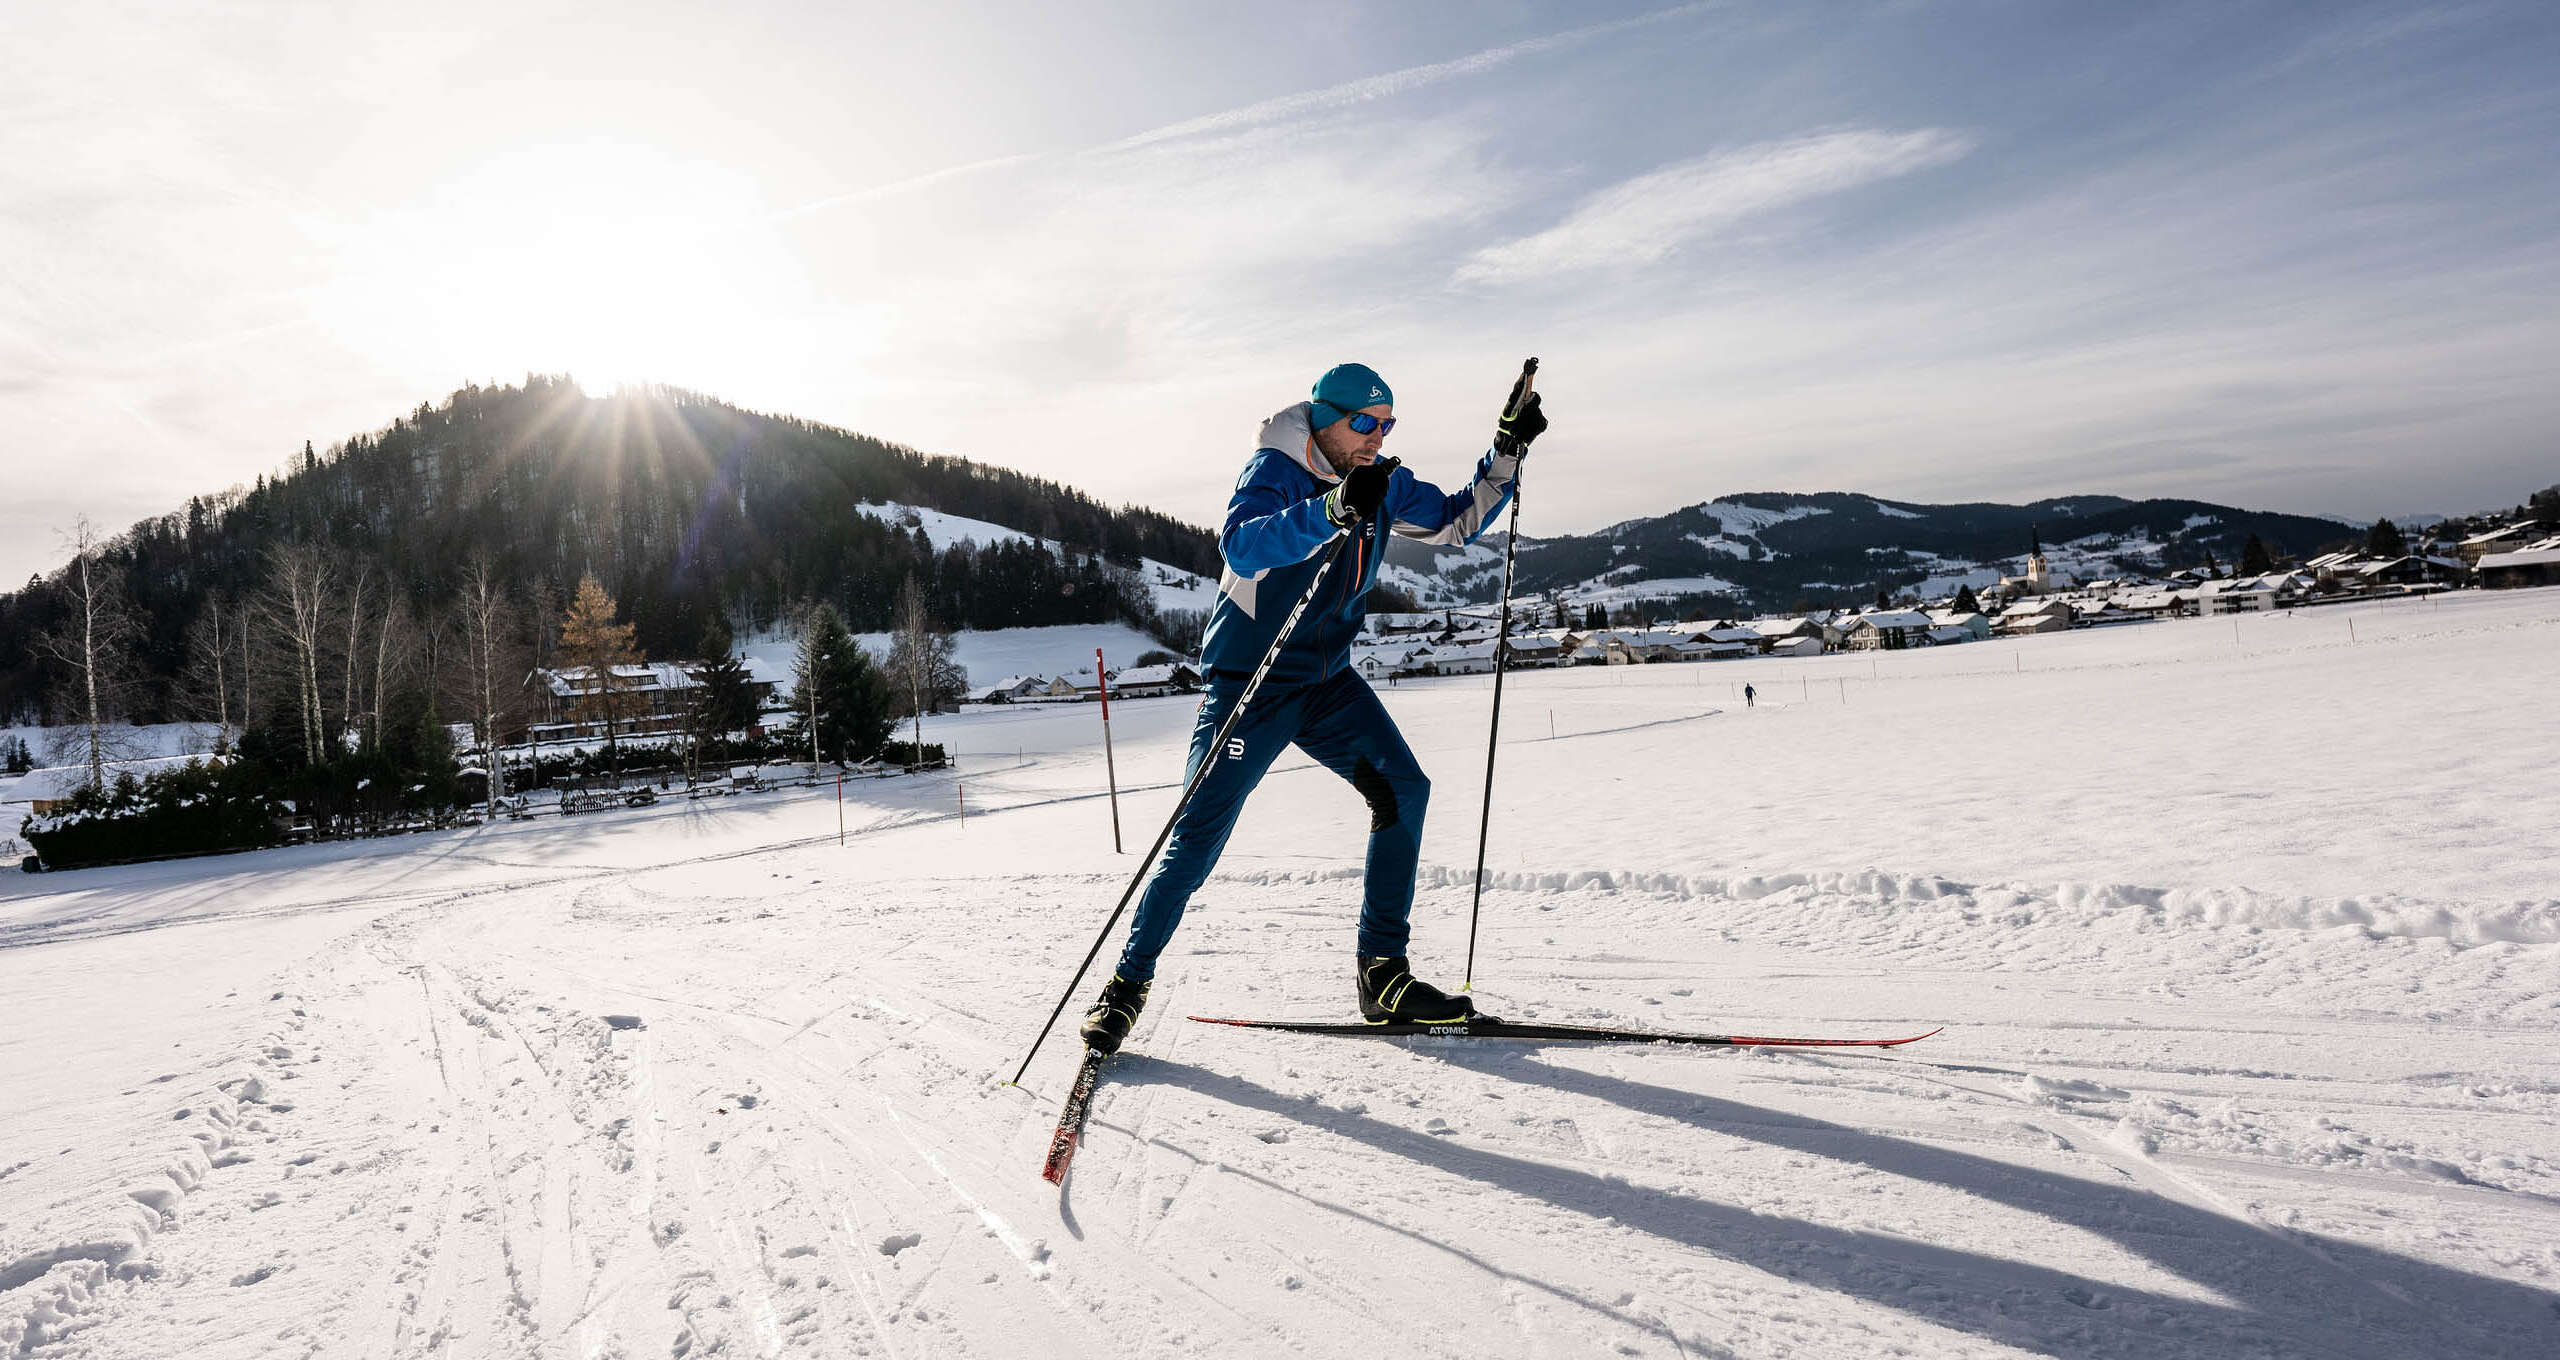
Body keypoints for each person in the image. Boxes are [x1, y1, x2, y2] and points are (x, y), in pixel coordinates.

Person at [1078, 362, 1548, 1053]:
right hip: (1250, 685)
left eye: (1386, 426)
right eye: (1364, 424)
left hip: (1327, 682)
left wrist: (1507, 450)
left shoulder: (1382, 481)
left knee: (1403, 789)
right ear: (1323, 418)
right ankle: (1127, 984)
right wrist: (1332, 509)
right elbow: (1244, 544)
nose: (1375, 438)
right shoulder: (1272, 468)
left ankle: (1382, 976)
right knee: (1197, 838)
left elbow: (1456, 523)